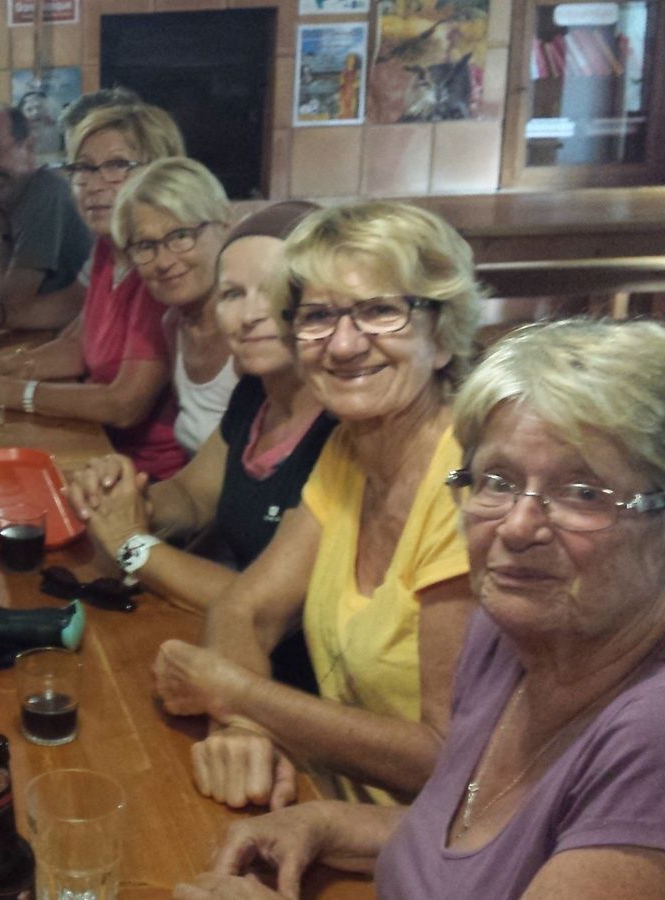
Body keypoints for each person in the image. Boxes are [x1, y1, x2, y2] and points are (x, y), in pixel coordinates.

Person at [174, 319, 665, 900]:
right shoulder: (505, 636)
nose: (517, 526)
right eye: (497, 480)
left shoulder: (651, 734)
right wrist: (323, 822)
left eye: (582, 493)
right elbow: (478, 842)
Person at [150, 200, 481, 809]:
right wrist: (243, 731)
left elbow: (447, 758)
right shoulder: (349, 450)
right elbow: (245, 608)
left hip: (425, 844)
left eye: (380, 311)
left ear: (441, 338)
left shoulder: (473, 487)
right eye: (319, 317)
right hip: (322, 799)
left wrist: (239, 696)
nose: (344, 344)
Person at [68, 202, 335, 693]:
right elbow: (193, 496)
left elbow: (261, 604)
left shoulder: (342, 427)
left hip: (294, 691)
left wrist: (131, 542)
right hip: (223, 655)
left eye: (276, 291)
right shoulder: (256, 392)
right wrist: (126, 496)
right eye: (232, 293)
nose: (251, 315)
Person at [0, 103, 186, 480]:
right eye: (84, 168)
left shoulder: (162, 267)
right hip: (100, 448)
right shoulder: (110, 249)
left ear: (159, 174)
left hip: (146, 476)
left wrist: (13, 393)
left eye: (116, 166)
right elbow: (77, 345)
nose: (93, 184)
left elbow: (124, 404)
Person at [112, 157, 238, 453]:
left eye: (181, 236)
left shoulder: (251, 330)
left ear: (224, 226)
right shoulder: (173, 325)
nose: (164, 261)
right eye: (146, 246)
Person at [0, 105, 94, 332]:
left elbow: (10, 306)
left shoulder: (46, 192)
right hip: (38, 338)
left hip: (67, 339)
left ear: (28, 148)